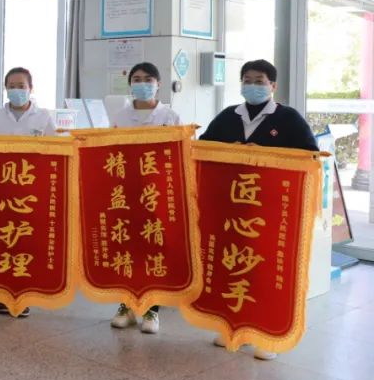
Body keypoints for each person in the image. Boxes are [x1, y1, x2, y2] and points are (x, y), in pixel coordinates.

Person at [200, 59, 317, 361]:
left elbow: (310, 155)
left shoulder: (289, 119)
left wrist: (265, 155)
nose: (253, 86)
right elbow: (202, 149)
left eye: (260, 81)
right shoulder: (228, 116)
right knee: (233, 267)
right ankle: (233, 328)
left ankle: (266, 336)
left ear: (273, 85)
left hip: (270, 211)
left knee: (265, 271)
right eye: (248, 81)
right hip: (232, 210)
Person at [107, 62, 182, 335]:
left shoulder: (171, 117)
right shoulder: (119, 116)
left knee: (155, 248)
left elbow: (180, 155)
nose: (142, 84)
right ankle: (126, 306)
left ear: (158, 84)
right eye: (137, 79)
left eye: (148, 79)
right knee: (127, 248)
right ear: (130, 85)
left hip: (157, 193)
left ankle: (152, 309)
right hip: (125, 192)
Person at [0, 66, 57, 317]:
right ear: (5, 89)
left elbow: (55, 152)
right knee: (3, 241)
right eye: (12, 86)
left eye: (21, 86)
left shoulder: (43, 118)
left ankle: (24, 295)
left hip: (31, 193)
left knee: (27, 241)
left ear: (31, 88)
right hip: (1, 191)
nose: (16, 90)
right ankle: (3, 294)